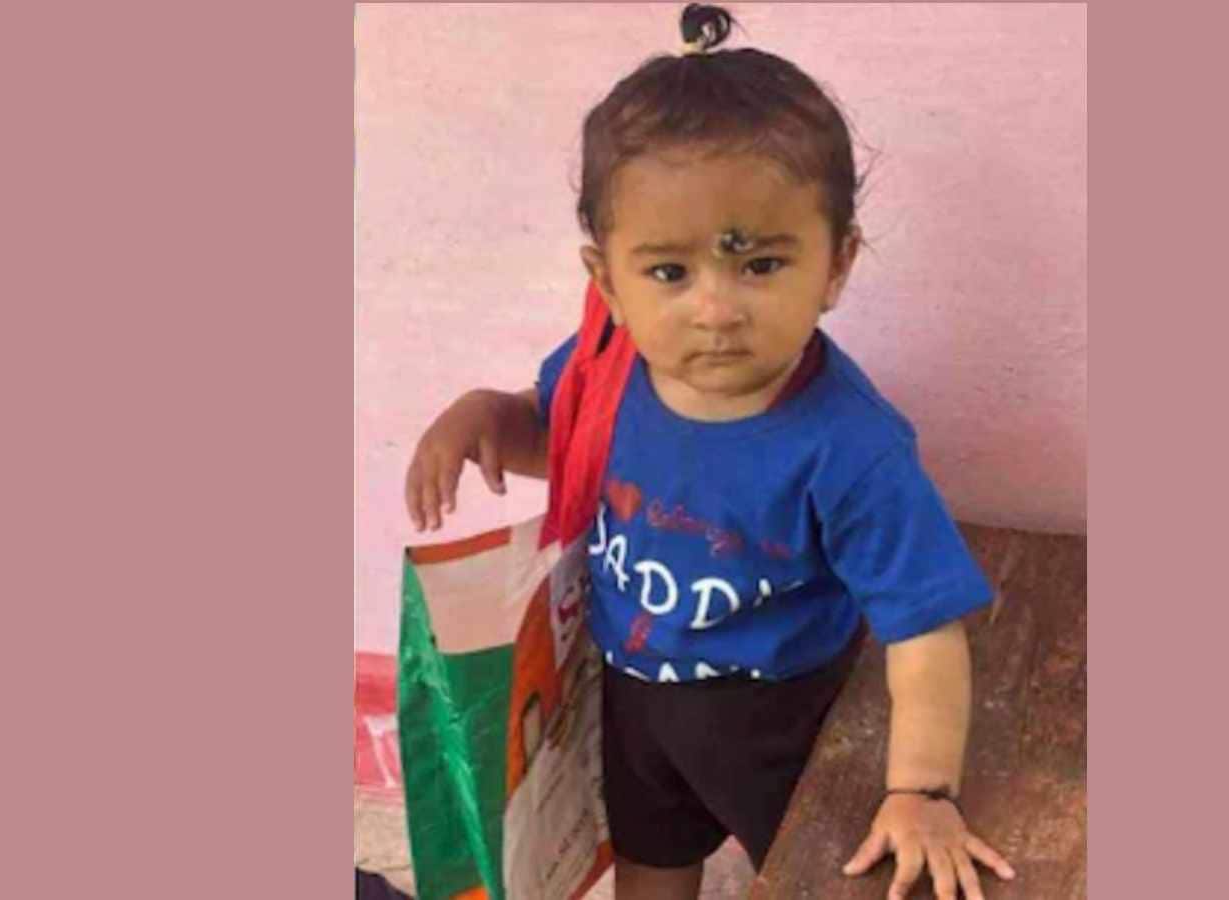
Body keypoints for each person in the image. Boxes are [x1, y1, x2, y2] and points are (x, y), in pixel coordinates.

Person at [403, 6, 1016, 898]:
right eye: (670, 272)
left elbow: (925, 628)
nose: (717, 309)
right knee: (652, 863)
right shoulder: (606, 368)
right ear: (606, 280)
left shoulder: (850, 447)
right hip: (633, 694)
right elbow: (574, 447)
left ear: (836, 264)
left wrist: (921, 790)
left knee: (816, 874)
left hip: (778, 718)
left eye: (761, 264)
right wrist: (485, 417)